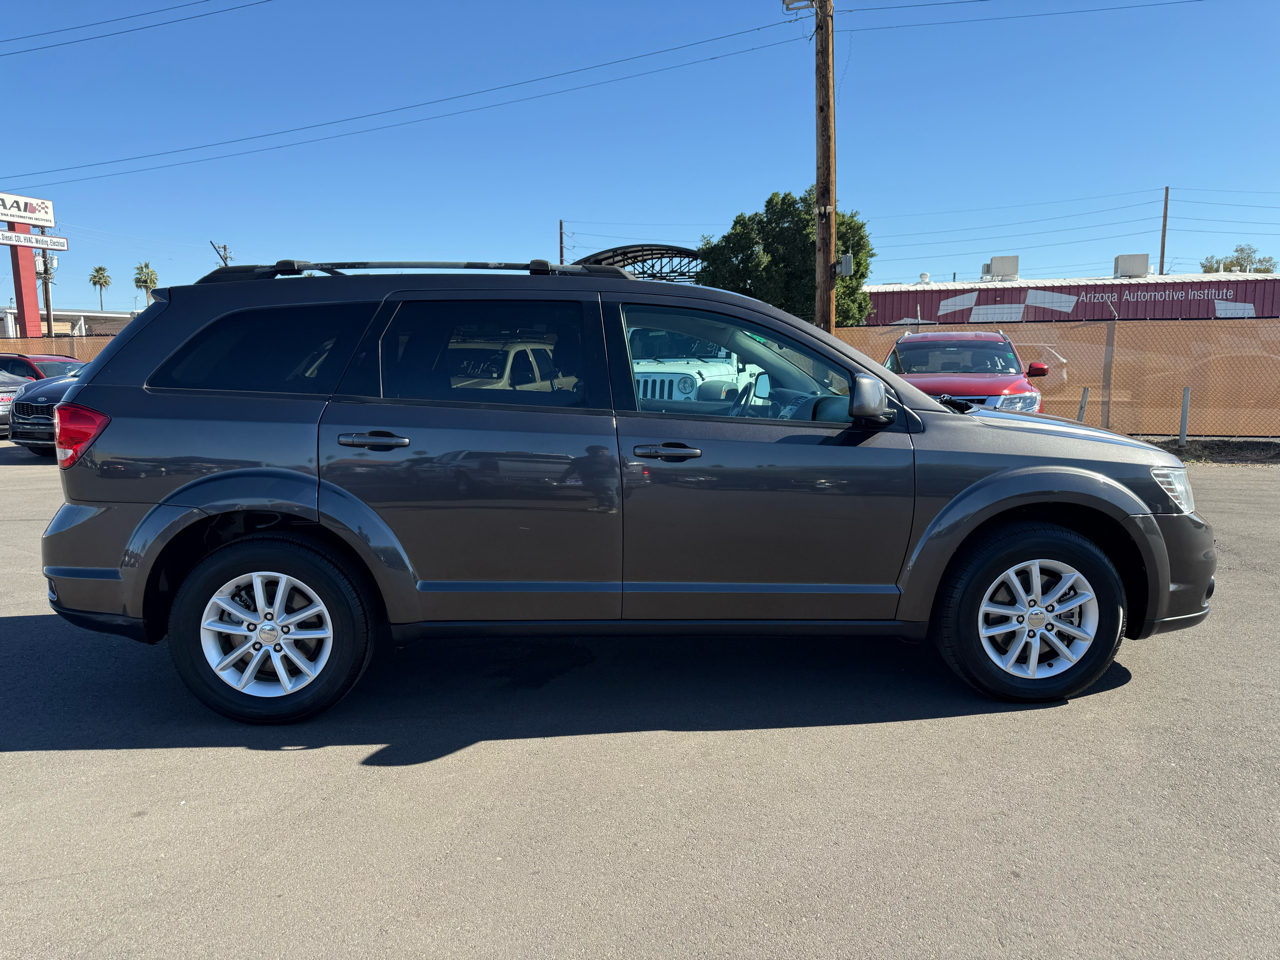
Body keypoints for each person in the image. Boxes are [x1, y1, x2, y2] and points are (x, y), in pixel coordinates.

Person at [560, 444, 619, 513]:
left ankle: (613, 507)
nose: (600, 453)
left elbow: (623, 467)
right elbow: (571, 469)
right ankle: (603, 506)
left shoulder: (612, 459)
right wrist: (564, 477)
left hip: (607, 478)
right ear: (589, 452)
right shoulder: (580, 460)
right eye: (597, 451)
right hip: (588, 479)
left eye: (603, 451)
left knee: (609, 493)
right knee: (598, 493)